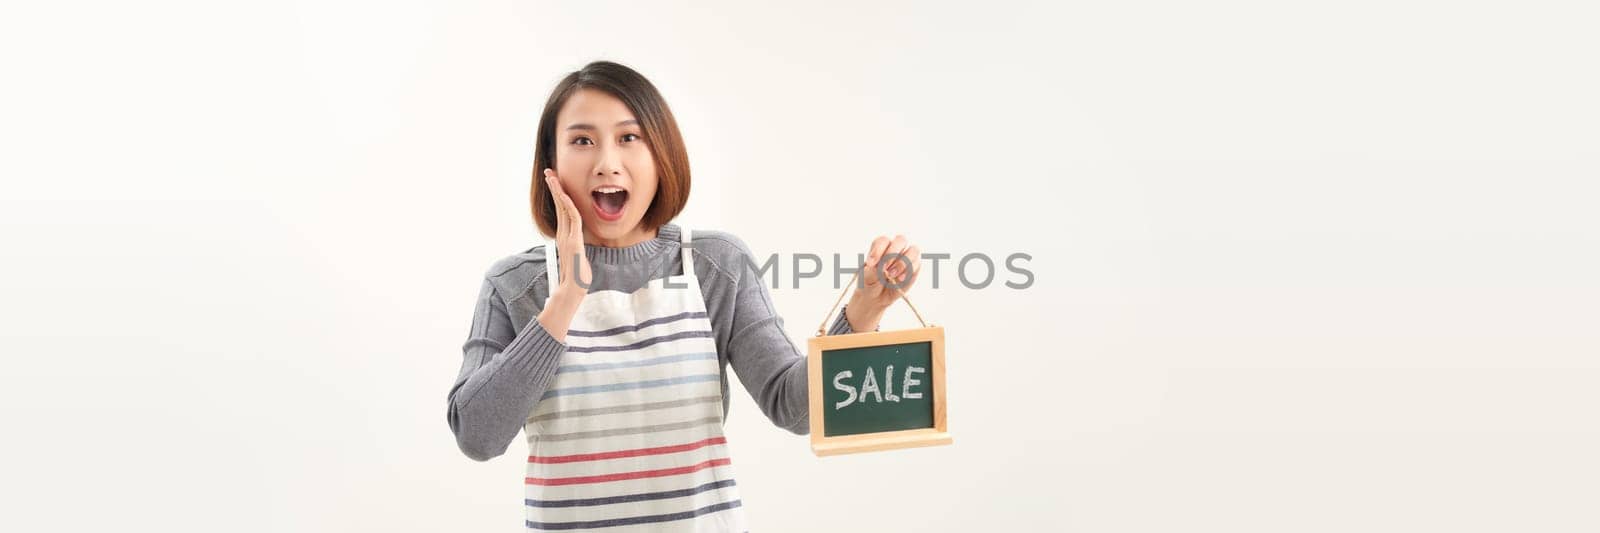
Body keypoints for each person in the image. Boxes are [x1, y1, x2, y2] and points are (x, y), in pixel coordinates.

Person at [445, 60, 922, 531]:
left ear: (661, 156)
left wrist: (863, 310)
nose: (607, 162)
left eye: (629, 138)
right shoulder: (515, 284)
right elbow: (477, 436)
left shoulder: (716, 264)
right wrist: (567, 296)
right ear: (550, 165)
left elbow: (793, 408)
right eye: (582, 140)